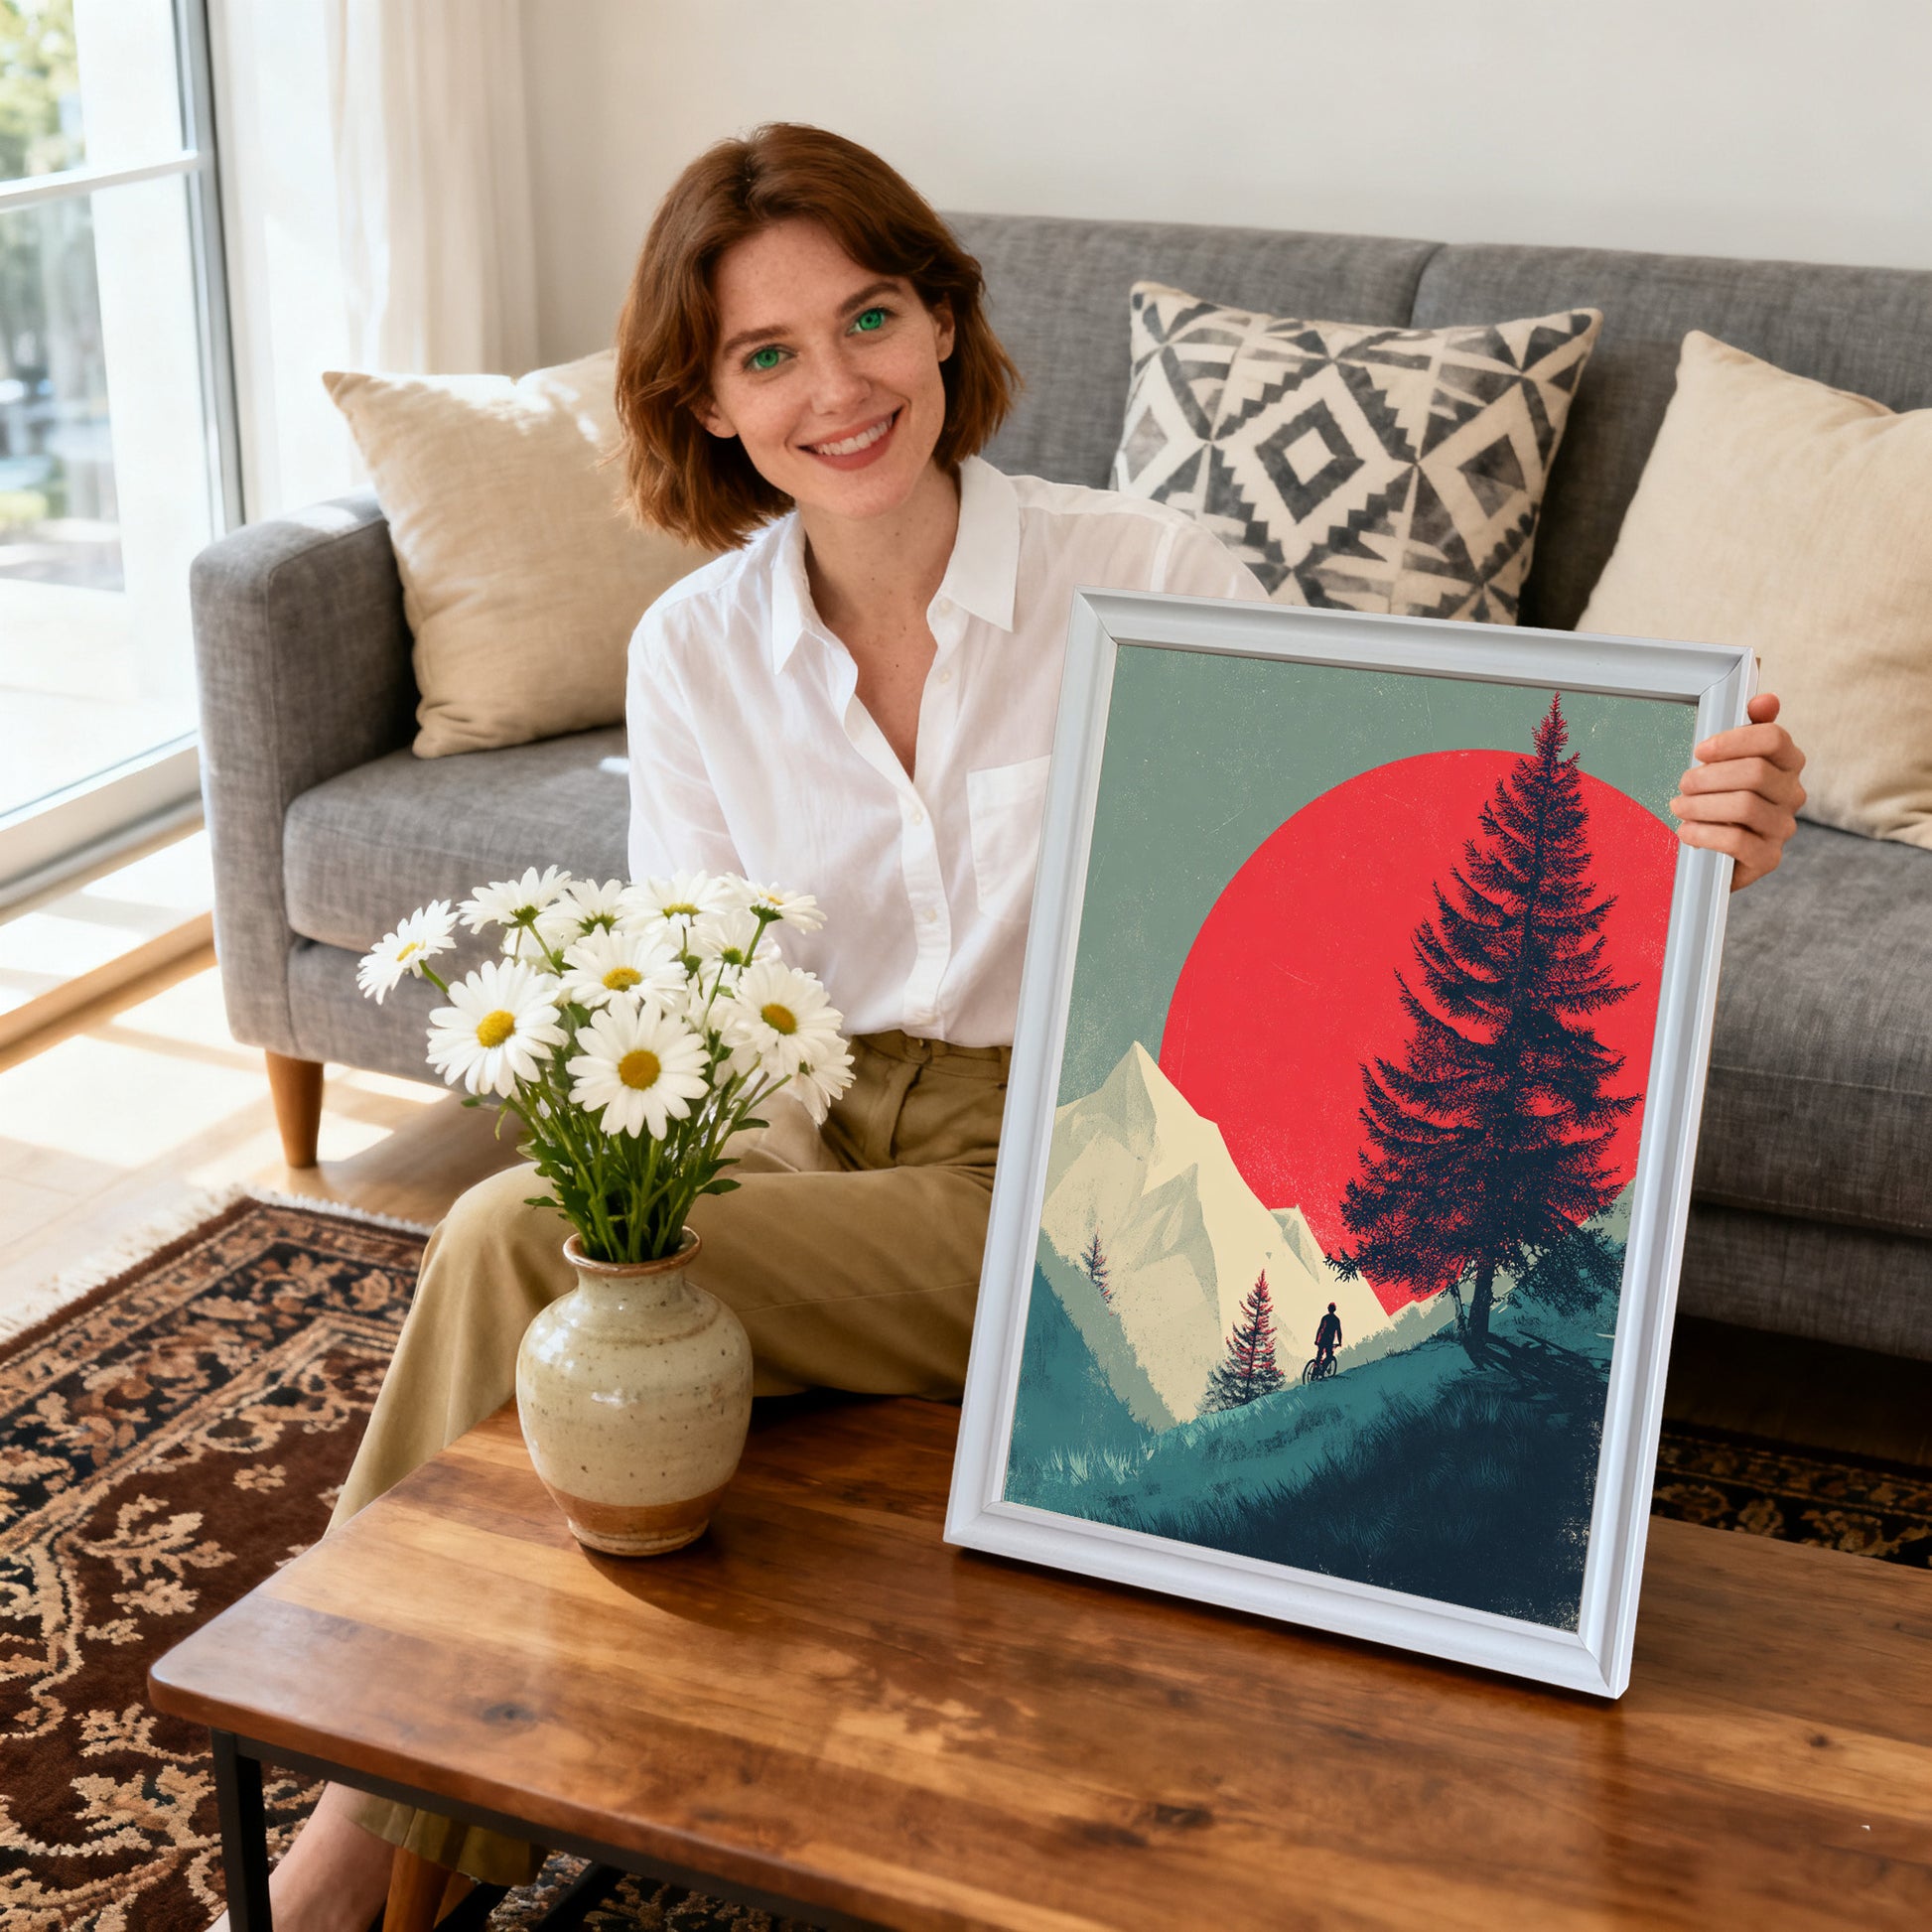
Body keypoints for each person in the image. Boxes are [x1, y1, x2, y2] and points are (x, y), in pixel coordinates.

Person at [220, 123, 1807, 1931]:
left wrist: (1689, 832)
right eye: (769, 355)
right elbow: (699, 1013)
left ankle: (353, 1848)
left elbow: (1375, 848)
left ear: (944, 323)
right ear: (709, 405)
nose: (840, 386)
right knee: (584, 1291)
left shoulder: (1145, 567)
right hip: (802, 1146)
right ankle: (405, 1795)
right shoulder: (691, 651)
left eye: (871, 317)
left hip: (1062, 1165)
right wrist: (693, 1200)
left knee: (516, 1240)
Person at [1313, 1302, 1343, 1374]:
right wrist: (1340, 1342)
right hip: (1329, 1341)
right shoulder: (1336, 1320)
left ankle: (1315, 1371)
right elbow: (1339, 1332)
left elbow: (1320, 1329)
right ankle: (1322, 1369)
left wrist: (1316, 1339)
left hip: (1322, 1339)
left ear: (1328, 1309)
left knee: (1319, 1355)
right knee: (1329, 1356)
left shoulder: (1325, 1318)